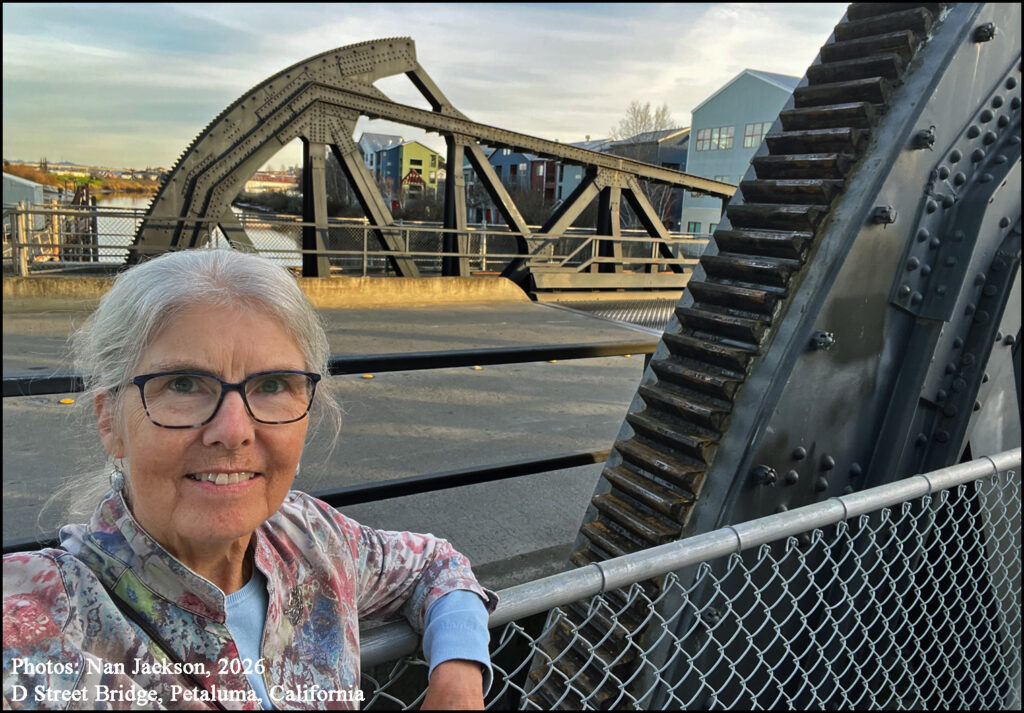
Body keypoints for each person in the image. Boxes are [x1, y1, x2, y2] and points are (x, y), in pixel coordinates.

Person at [2, 248, 497, 710]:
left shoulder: (311, 539)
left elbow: (434, 565)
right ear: (109, 420)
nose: (234, 430)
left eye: (273, 384)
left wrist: (457, 677)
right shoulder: (44, 618)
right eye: (183, 384)